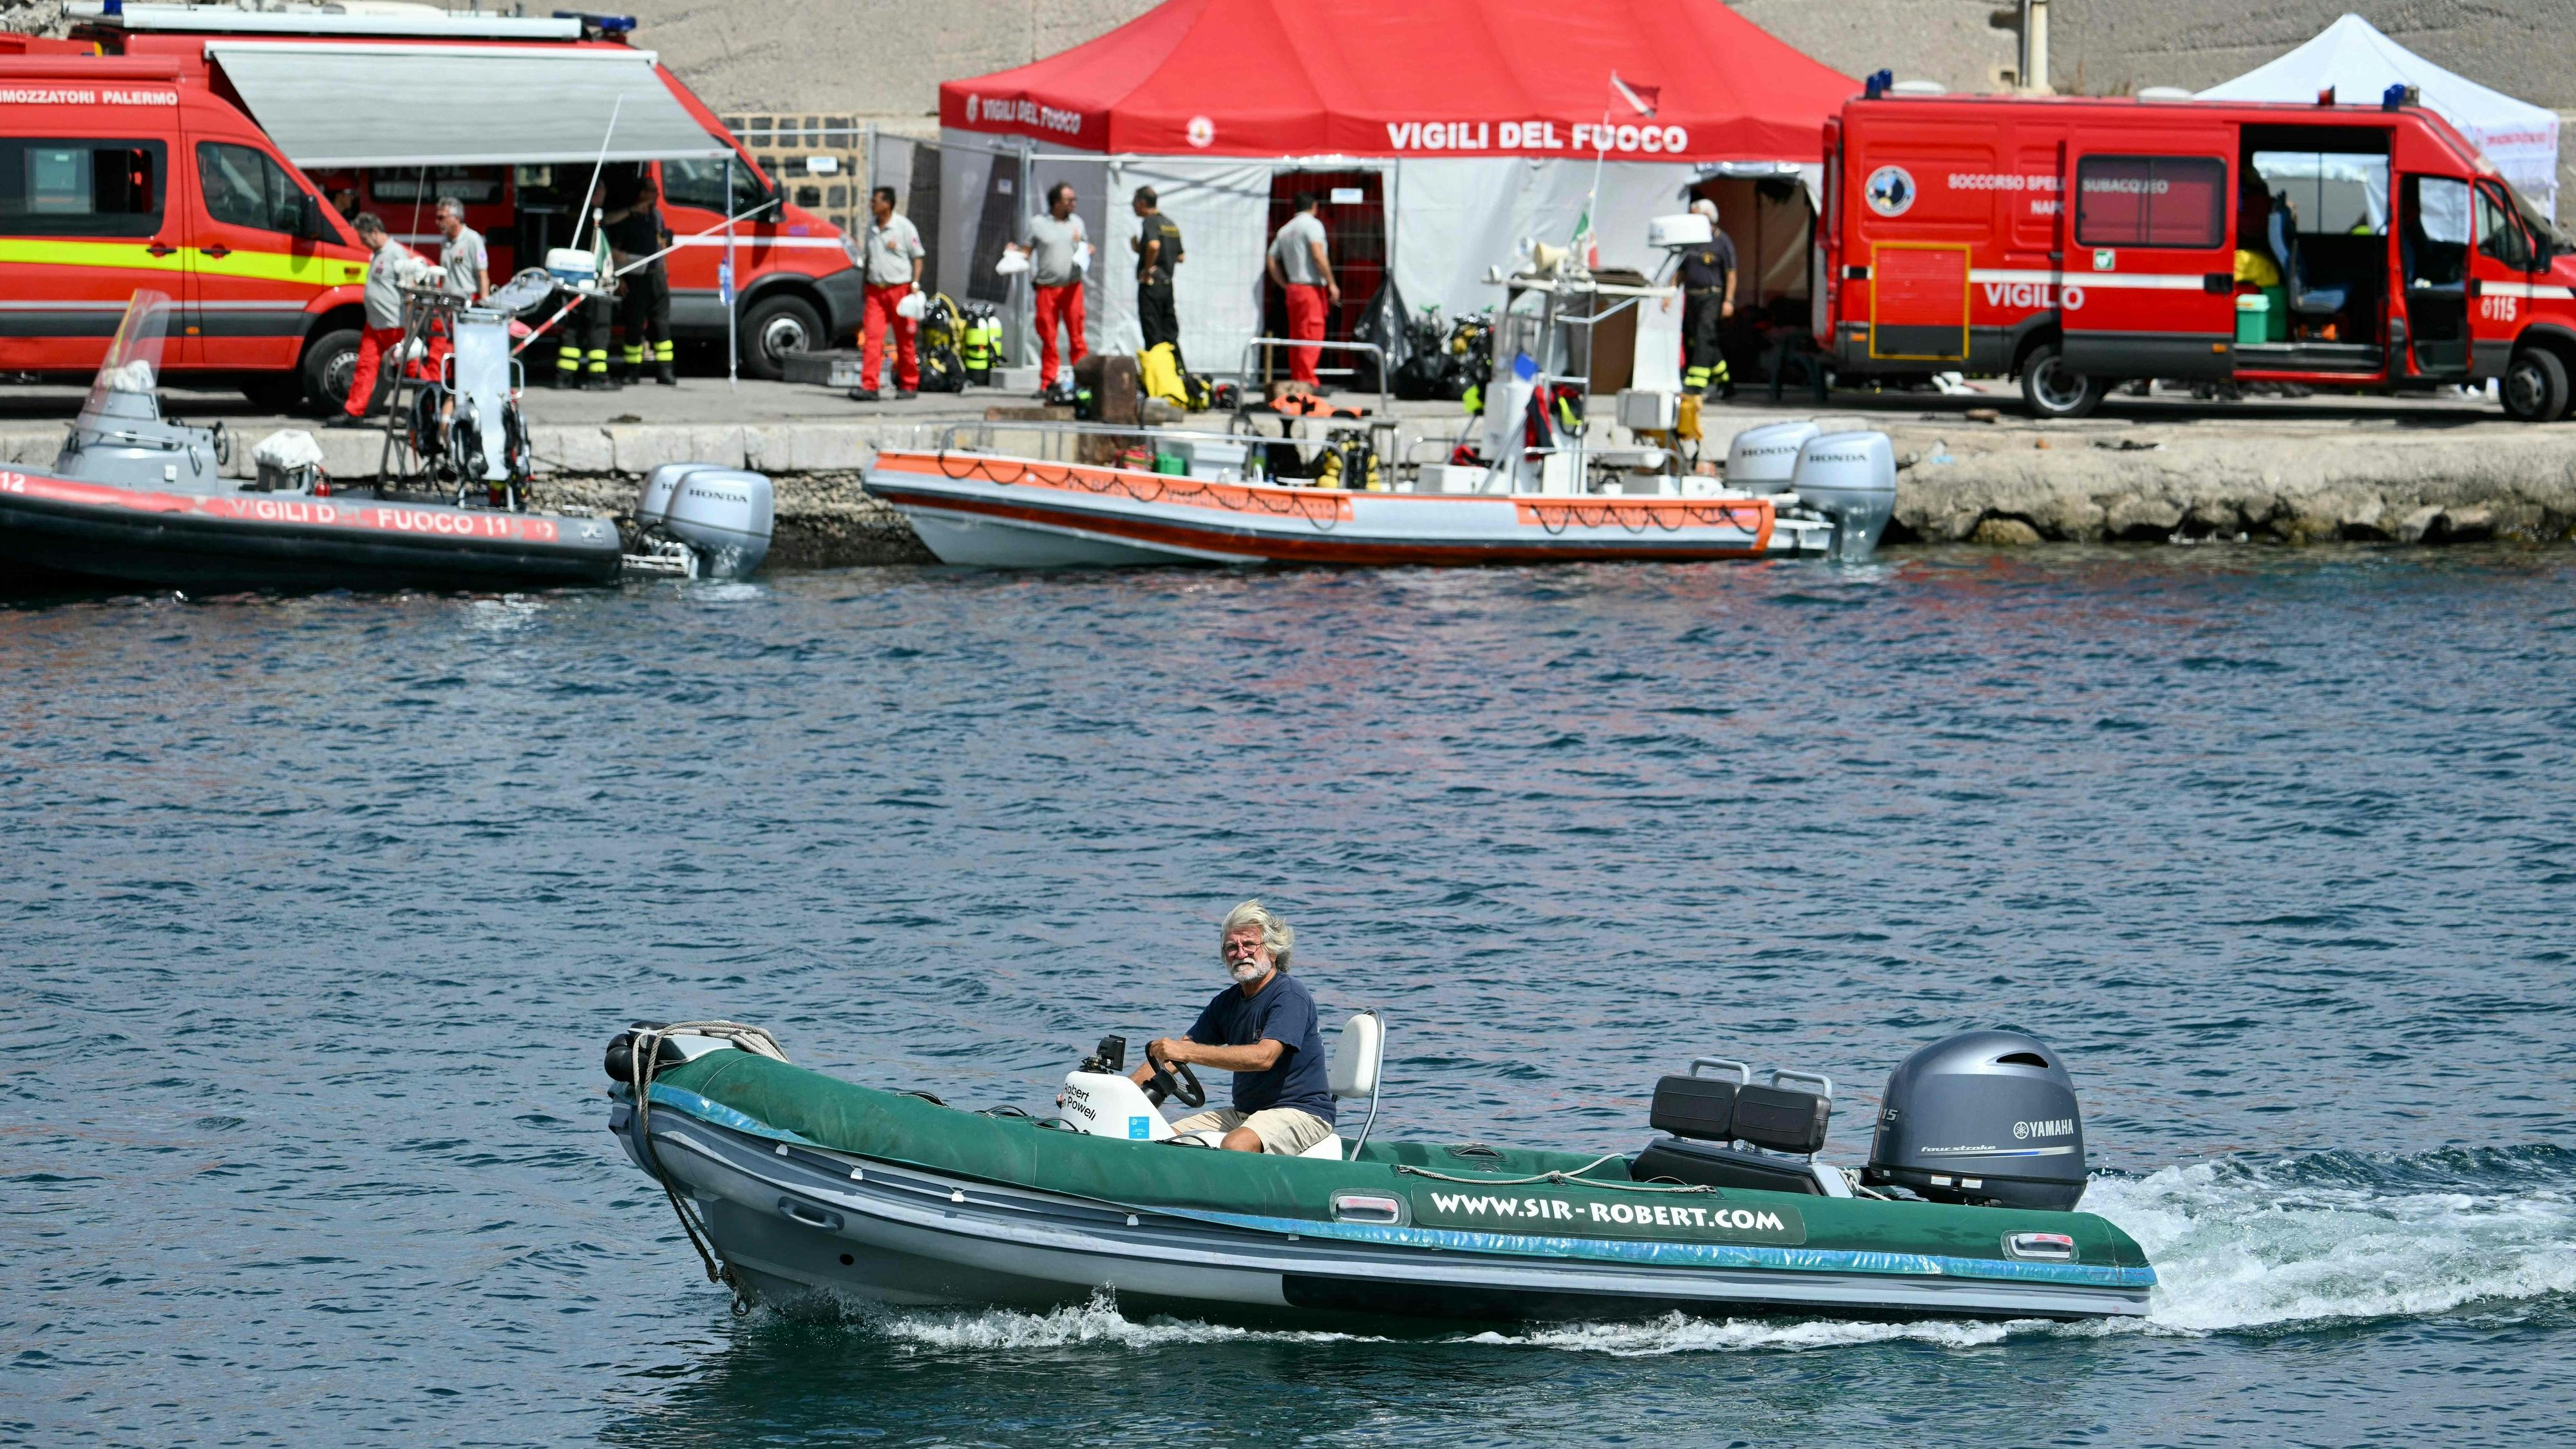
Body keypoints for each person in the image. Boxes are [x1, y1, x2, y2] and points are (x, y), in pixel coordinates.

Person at [1131, 900, 1335, 1156]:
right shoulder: (1226, 1002)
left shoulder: (1290, 995)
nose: (1240, 954)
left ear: (1272, 951)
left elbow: (1264, 1057)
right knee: (1159, 1137)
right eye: (1231, 947)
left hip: (1301, 1111)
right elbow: (1172, 1058)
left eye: (1249, 944)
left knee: (1236, 1144)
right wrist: (1115, 1094)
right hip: (1244, 1114)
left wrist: (1186, 1053)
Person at [331, 213, 414, 426]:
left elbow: (410, 289)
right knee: (365, 368)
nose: (362, 243)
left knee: (413, 370)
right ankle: (354, 412)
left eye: (364, 238)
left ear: (375, 232)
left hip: (395, 325)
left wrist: (411, 321)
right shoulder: (378, 253)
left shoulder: (397, 254)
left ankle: (428, 407)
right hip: (375, 324)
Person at [1009, 181, 1088, 394]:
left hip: (1072, 287)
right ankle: (1048, 382)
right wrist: (1014, 252)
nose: (1073, 203)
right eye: (1069, 200)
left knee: (1077, 337)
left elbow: (1085, 246)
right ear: (1056, 202)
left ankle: (1083, 381)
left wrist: (1089, 250)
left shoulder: (1077, 223)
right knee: (1048, 336)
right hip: (1047, 288)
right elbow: (1026, 251)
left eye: (1074, 199)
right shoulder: (1038, 224)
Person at [852, 184, 925, 402]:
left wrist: (915, 284)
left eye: (875, 201)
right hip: (876, 290)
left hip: (899, 290)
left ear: (887, 204)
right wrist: (864, 285)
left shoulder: (904, 227)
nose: (871, 205)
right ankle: (869, 385)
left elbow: (918, 257)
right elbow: (869, 260)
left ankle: (909, 384)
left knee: (905, 339)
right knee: (872, 340)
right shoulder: (872, 228)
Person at [603, 174, 676, 386]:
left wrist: (665, 271)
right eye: (653, 191)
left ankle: (665, 371)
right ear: (642, 194)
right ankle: (631, 372)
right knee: (634, 325)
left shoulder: (656, 216)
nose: (657, 195)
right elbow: (615, 248)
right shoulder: (627, 219)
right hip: (635, 279)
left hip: (657, 278)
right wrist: (620, 279)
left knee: (662, 325)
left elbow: (662, 244)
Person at [1267, 192, 1336, 386]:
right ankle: (1307, 382)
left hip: (1293, 288)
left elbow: (1271, 259)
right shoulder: (1313, 225)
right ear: (1315, 206)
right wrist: (1331, 282)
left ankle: (1298, 379)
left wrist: (1284, 283)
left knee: (1297, 336)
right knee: (1312, 334)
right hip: (1310, 288)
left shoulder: (1285, 230)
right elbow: (1318, 254)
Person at [1678, 198, 1736, 399]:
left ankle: (1696, 384)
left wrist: (1729, 301)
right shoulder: (1690, 240)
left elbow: (1731, 273)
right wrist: (1670, 293)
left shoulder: (1722, 241)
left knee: (1704, 335)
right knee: (1699, 338)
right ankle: (1725, 382)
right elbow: (1681, 269)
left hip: (1712, 296)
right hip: (1692, 296)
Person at [1130, 185, 1184, 366]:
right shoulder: (1170, 223)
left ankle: (1158, 377)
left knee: (1152, 332)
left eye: (1134, 203)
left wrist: (1147, 269)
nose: (1133, 207)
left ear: (1143, 203)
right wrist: (1140, 249)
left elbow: (1154, 246)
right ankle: (1177, 373)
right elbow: (1180, 256)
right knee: (1170, 334)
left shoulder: (1150, 222)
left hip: (1152, 285)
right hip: (1167, 285)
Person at [435, 197, 489, 303]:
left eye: (442, 218)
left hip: (468, 303)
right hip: (448, 303)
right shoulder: (445, 242)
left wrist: (484, 306)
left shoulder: (473, 239)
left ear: (457, 218)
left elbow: (483, 275)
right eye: (437, 218)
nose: (438, 222)